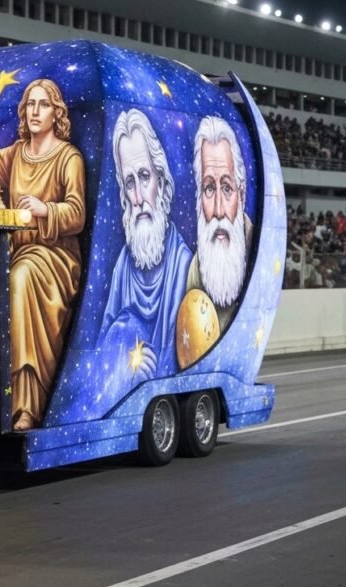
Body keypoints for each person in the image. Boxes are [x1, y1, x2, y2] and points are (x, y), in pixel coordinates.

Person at [0, 78, 85, 430]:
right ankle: (5, 397)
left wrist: (45, 210)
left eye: (43, 104)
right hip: (19, 251)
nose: (35, 111)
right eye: (30, 104)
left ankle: (27, 405)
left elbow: (77, 213)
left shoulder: (68, 157)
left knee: (21, 278)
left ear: (56, 112)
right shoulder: (18, 153)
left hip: (55, 258)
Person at [95, 108, 191, 401]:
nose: (137, 197)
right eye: (129, 182)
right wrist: (125, 365)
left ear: (161, 180)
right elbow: (103, 354)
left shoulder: (183, 265)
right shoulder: (124, 265)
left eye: (144, 177)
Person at [186, 116, 253, 331]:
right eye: (209, 188)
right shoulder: (196, 269)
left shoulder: (258, 248)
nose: (218, 210)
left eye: (226, 188)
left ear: (241, 195)